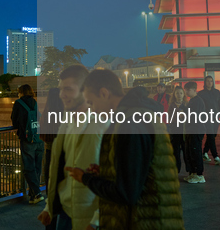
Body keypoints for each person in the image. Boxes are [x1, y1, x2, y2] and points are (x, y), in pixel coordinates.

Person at [65, 69, 184, 229]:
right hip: (156, 217)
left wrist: (86, 179)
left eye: (91, 102)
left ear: (104, 93)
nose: (92, 110)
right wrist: (109, 171)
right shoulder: (140, 115)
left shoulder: (129, 124)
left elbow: (126, 193)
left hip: (142, 221)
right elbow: (142, 172)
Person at [38, 64, 106, 230]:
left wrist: (96, 220)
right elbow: (58, 170)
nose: (62, 95)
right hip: (66, 212)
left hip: (89, 218)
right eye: (61, 89)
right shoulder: (66, 126)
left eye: (68, 89)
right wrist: (49, 207)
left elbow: (114, 177)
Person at [11, 84, 45, 204]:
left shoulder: (19, 103)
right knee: (36, 168)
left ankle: (37, 193)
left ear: (21, 92)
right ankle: (33, 196)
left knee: (28, 168)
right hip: (39, 139)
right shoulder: (35, 102)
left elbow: (14, 121)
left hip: (27, 140)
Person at [39, 87, 63, 228]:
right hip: (63, 154)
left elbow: (43, 135)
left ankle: (51, 222)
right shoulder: (67, 114)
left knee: (51, 192)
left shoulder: (47, 114)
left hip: (49, 154)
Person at [184, 81, 207, 184]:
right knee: (192, 152)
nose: (186, 92)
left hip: (195, 129)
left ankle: (199, 175)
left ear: (194, 90)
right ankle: (194, 173)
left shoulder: (197, 101)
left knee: (196, 152)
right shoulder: (193, 100)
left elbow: (193, 116)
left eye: (188, 90)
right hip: (193, 129)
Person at [198, 76, 220, 165]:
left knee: (212, 136)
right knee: (211, 136)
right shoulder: (201, 94)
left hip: (215, 117)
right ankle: (215, 156)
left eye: (211, 81)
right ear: (205, 83)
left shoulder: (217, 92)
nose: (209, 83)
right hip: (206, 117)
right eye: (208, 81)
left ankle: (205, 152)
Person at [167, 86, 189, 174]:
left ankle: (189, 170)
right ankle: (176, 170)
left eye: (181, 93)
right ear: (174, 95)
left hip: (184, 131)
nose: (179, 95)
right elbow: (170, 119)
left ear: (183, 94)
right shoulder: (171, 105)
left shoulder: (187, 105)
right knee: (175, 152)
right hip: (175, 131)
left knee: (186, 151)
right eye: (177, 93)